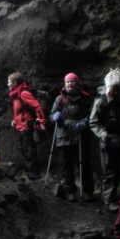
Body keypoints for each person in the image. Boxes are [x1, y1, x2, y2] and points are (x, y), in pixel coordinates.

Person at [90, 67, 120, 213]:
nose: (114, 91)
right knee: (109, 171)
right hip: (108, 141)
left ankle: (112, 196)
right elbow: (94, 122)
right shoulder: (101, 102)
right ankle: (108, 200)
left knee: (118, 170)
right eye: (112, 88)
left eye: (117, 89)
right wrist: (102, 134)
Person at [49, 72, 94, 201]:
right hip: (64, 135)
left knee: (84, 163)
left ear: (77, 83)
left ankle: (88, 191)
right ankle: (70, 190)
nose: (69, 84)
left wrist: (84, 122)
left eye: (72, 81)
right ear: (65, 84)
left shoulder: (85, 98)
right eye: (67, 81)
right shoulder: (60, 99)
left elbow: (91, 115)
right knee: (66, 164)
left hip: (80, 135)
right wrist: (55, 116)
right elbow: (51, 115)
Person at [7, 72, 46, 179]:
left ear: (15, 83)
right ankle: (31, 172)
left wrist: (41, 122)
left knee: (29, 150)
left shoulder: (23, 93)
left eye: (9, 82)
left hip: (27, 126)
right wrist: (15, 120)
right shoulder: (15, 94)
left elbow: (37, 107)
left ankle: (34, 174)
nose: (8, 84)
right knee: (25, 150)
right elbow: (19, 111)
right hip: (20, 126)